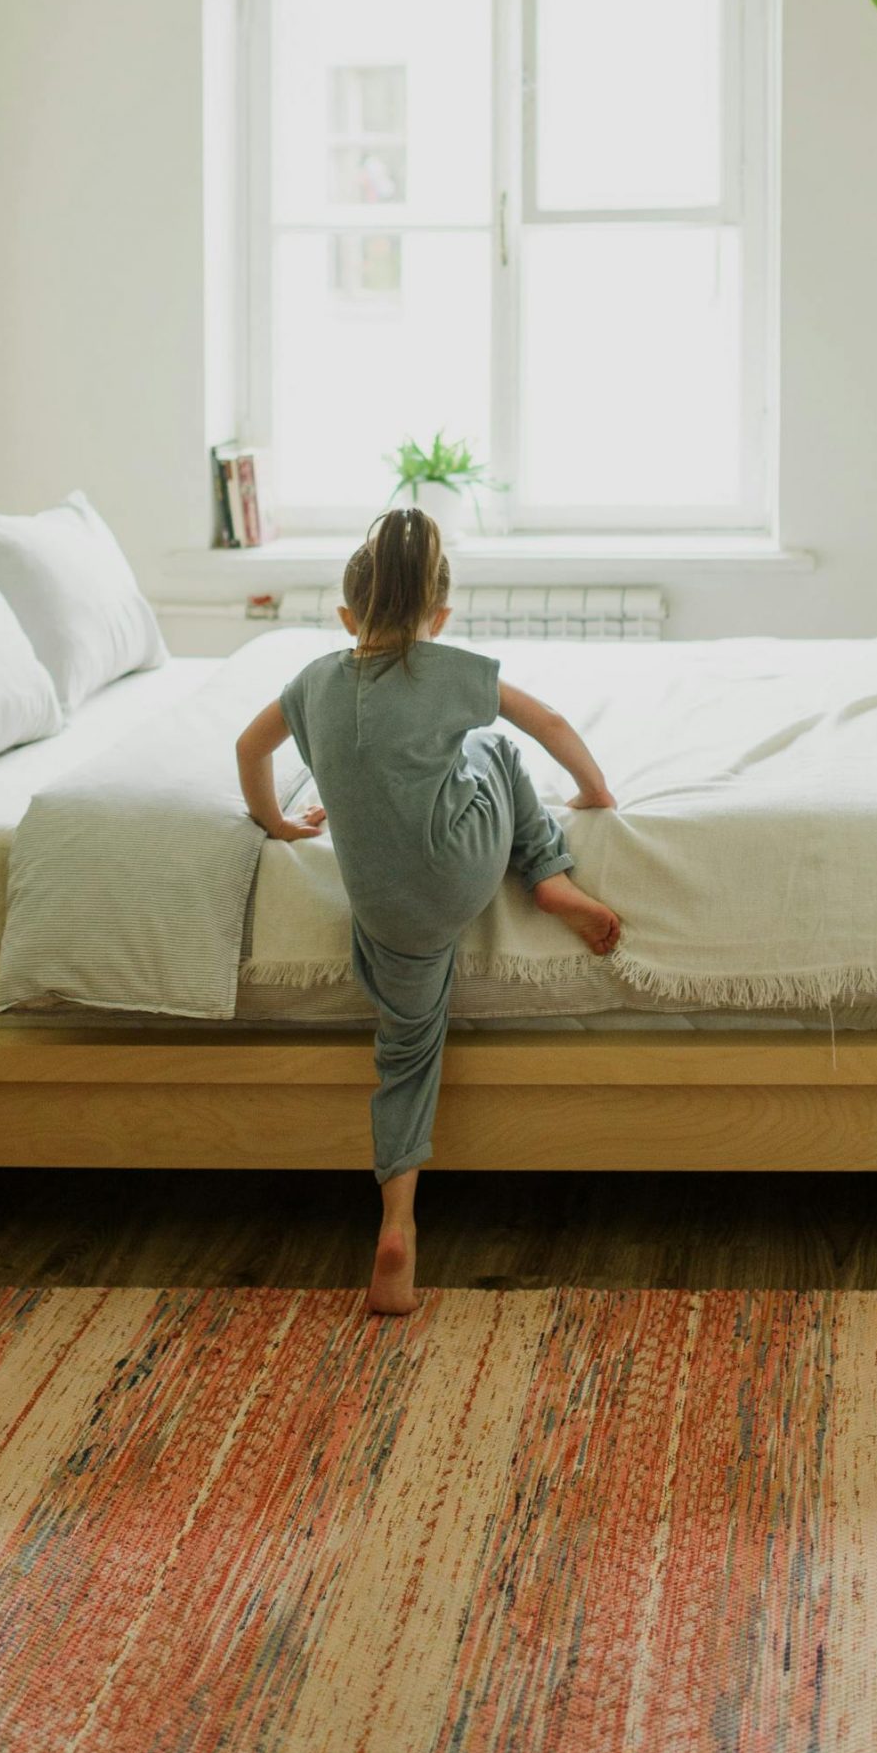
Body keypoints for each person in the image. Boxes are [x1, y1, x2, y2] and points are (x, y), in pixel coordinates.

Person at [235, 507, 621, 1317]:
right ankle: (547, 872)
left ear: (346, 618)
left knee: (406, 1056)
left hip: (388, 909)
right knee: (494, 747)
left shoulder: (311, 683)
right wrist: (594, 792)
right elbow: (547, 723)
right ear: (438, 618)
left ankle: (397, 1227)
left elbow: (248, 747)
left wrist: (274, 822)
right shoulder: (449, 669)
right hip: (463, 871)